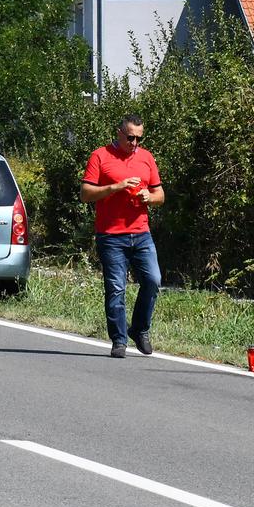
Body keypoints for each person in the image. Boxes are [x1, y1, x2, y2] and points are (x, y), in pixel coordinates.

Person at [82, 115, 164, 358]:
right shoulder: (100, 156)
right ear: (119, 133)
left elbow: (160, 194)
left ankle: (138, 329)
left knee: (153, 280)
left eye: (139, 138)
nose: (134, 142)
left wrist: (150, 198)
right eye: (130, 137)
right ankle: (118, 340)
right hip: (111, 235)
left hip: (141, 233)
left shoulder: (147, 157)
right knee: (116, 287)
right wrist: (115, 187)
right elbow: (85, 194)